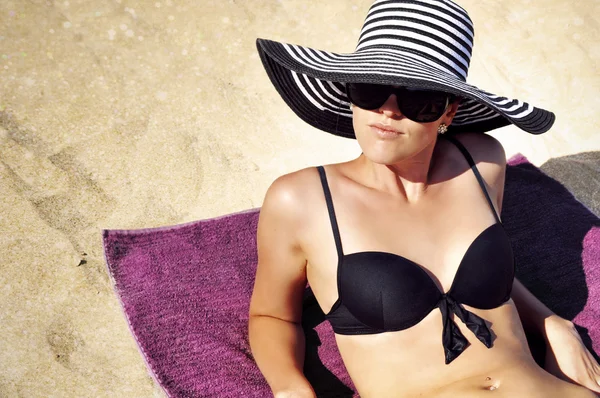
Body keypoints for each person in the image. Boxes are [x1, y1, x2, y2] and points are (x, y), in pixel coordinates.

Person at [248, 0, 600, 396]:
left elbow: (494, 273)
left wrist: (553, 325)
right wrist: (291, 389)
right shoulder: (302, 199)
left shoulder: (480, 162)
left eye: (418, 100)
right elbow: (270, 315)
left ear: (449, 111)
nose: (388, 111)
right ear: (349, 91)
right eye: (371, 88)